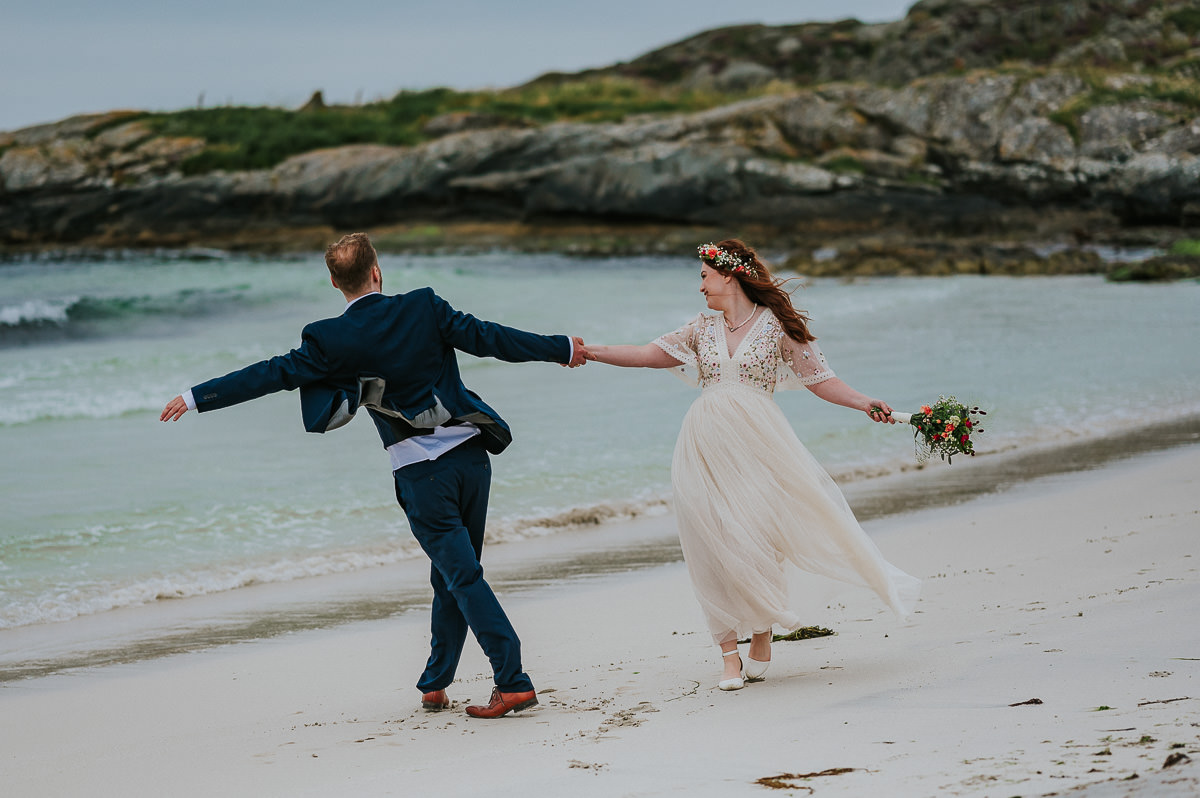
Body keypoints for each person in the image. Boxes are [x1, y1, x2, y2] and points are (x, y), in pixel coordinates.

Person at [160, 232, 589, 718]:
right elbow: (491, 337)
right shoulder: (424, 306)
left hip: (421, 476)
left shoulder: (328, 339)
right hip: (471, 458)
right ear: (377, 271)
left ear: (333, 282)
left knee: (461, 575)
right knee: (453, 574)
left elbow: (268, 374)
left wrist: (197, 396)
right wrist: (560, 347)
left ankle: (512, 682)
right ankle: (435, 682)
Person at [584, 239, 920, 690]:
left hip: (759, 442)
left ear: (728, 275)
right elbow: (647, 355)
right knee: (710, 540)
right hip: (703, 442)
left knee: (755, 537)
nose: (700, 285)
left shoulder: (777, 326)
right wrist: (590, 351)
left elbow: (821, 380)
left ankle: (761, 630)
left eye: (704, 275)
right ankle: (728, 655)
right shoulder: (699, 329)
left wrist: (865, 404)